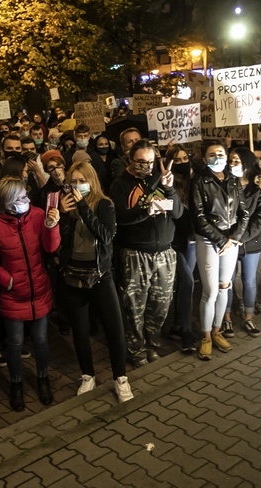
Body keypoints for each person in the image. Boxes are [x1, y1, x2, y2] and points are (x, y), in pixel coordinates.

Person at [57, 161, 133, 403]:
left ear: (92, 181)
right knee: (80, 330)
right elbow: (61, 241)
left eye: (83, 180)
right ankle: (87, 374)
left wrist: (82, 206)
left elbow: (106, 235)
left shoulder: (104, 204)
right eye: (74, 181)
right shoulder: (65, 207)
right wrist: (62, 216)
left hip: (101, 273)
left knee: (115, 329)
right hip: (73, 273)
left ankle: (120, 377)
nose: (78, 186)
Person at [0, 177, 61, 411]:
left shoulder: (37, 215)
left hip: (39, 290)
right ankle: (16, 384)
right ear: (8, 204)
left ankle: (42, 378)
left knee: (41, 340)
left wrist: (51, 226)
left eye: (26, 196)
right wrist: (7, 279)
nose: (27, 200)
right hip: (13, 295)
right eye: (20, 198)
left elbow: (50, 248)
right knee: (15, 344)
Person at [109, 139, 181, 367]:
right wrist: (145, 210)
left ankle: (152, 344)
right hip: (135, 253)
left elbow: (178, 213)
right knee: (134, 306)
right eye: (140, 162)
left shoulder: (161, 178)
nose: (146, 166)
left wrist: (169, 189)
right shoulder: (120, 185)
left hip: (164, 253)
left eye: (150, 162)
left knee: (160, 304)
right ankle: (136, 348)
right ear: (130, 160)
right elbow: (121, 218)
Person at [190, 142, 249, 361]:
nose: (218, 158)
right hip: (208, 240)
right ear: (204, 158)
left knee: (225, 286)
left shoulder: (234, 180)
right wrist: (221, 239)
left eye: (221, 154)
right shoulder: (199, 181)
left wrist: (234, 238)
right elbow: (198, 217)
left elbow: (244, 213)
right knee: (210, 291)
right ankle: (205, 336)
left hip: (231, 241)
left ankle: (217, 331)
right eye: (212, 154)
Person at [224, 148, 261, 337]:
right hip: (226, 242)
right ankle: (226, 319)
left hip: (249, 242)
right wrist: (229, 239)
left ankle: (248, 317)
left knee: (249, 281)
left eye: (237, 161)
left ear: (247, 163)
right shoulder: (224, 183)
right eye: (231, 160)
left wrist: (240, 238)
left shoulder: (259, 186)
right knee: (226, 281)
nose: (232, 164)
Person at [166, 146, 198, 352]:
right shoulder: (167, 185)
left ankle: (178, 324)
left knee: (186, 284)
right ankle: (184, 329)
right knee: (186, 281)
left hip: (193, 241)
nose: (182, 162)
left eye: (185, 158)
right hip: (174, 242)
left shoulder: (194, 183)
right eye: (177, 160)